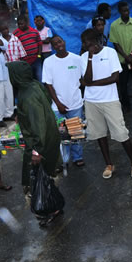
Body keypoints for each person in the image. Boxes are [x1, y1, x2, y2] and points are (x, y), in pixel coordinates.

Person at [80, 28, 132, 179]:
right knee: (100, 134)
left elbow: (115, 78)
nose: (84, 45)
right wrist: (89, 58)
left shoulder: (110, 53)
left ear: (95, 41)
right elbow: (86, 80)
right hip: (91, 101)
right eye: (84, 43)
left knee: (121, 133)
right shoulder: (83, 57)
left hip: (110, 100)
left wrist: (92, 84)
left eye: (87, 43)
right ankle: (109, 164)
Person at [6, 62, 62, 224]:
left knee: (34, 182)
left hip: (40, 143)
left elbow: (38, 125)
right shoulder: (33, 85)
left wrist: (37, 151)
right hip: (49, 138)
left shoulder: (28, 96)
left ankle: (46, 210)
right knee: (48, 176)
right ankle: (55, 206)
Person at [43, 35, 85, 168]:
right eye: (55, 44)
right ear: (52, 47)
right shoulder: (48, 62)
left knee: (76, 132)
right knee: (60, 135)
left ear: (64, 42)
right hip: (57, 106)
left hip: (75, 103)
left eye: (60, 41)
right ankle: (63, 161)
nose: (58, 45)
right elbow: (48, 85)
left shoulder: (77, 59)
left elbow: (83, 80)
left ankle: (77, 157)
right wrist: (58, 103)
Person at [108, 0, 132, 112]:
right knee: (123, 85)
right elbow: (115, 43)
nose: (126, 13)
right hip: (122, 61)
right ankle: (125, 105)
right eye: (124, 11)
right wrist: (125, 56)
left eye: (127, 10)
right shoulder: (114, 25)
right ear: (119, 11)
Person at [13, 14, 42, 79]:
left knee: (39, 77)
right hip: (24, 62)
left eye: (22, 24)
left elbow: (39, 44)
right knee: (29, 78)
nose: (20, 26)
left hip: (36, 60)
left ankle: (42, 89)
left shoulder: (34, 32)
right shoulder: (15, 34)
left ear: (27, 23)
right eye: (18, 24)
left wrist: (39, 56)